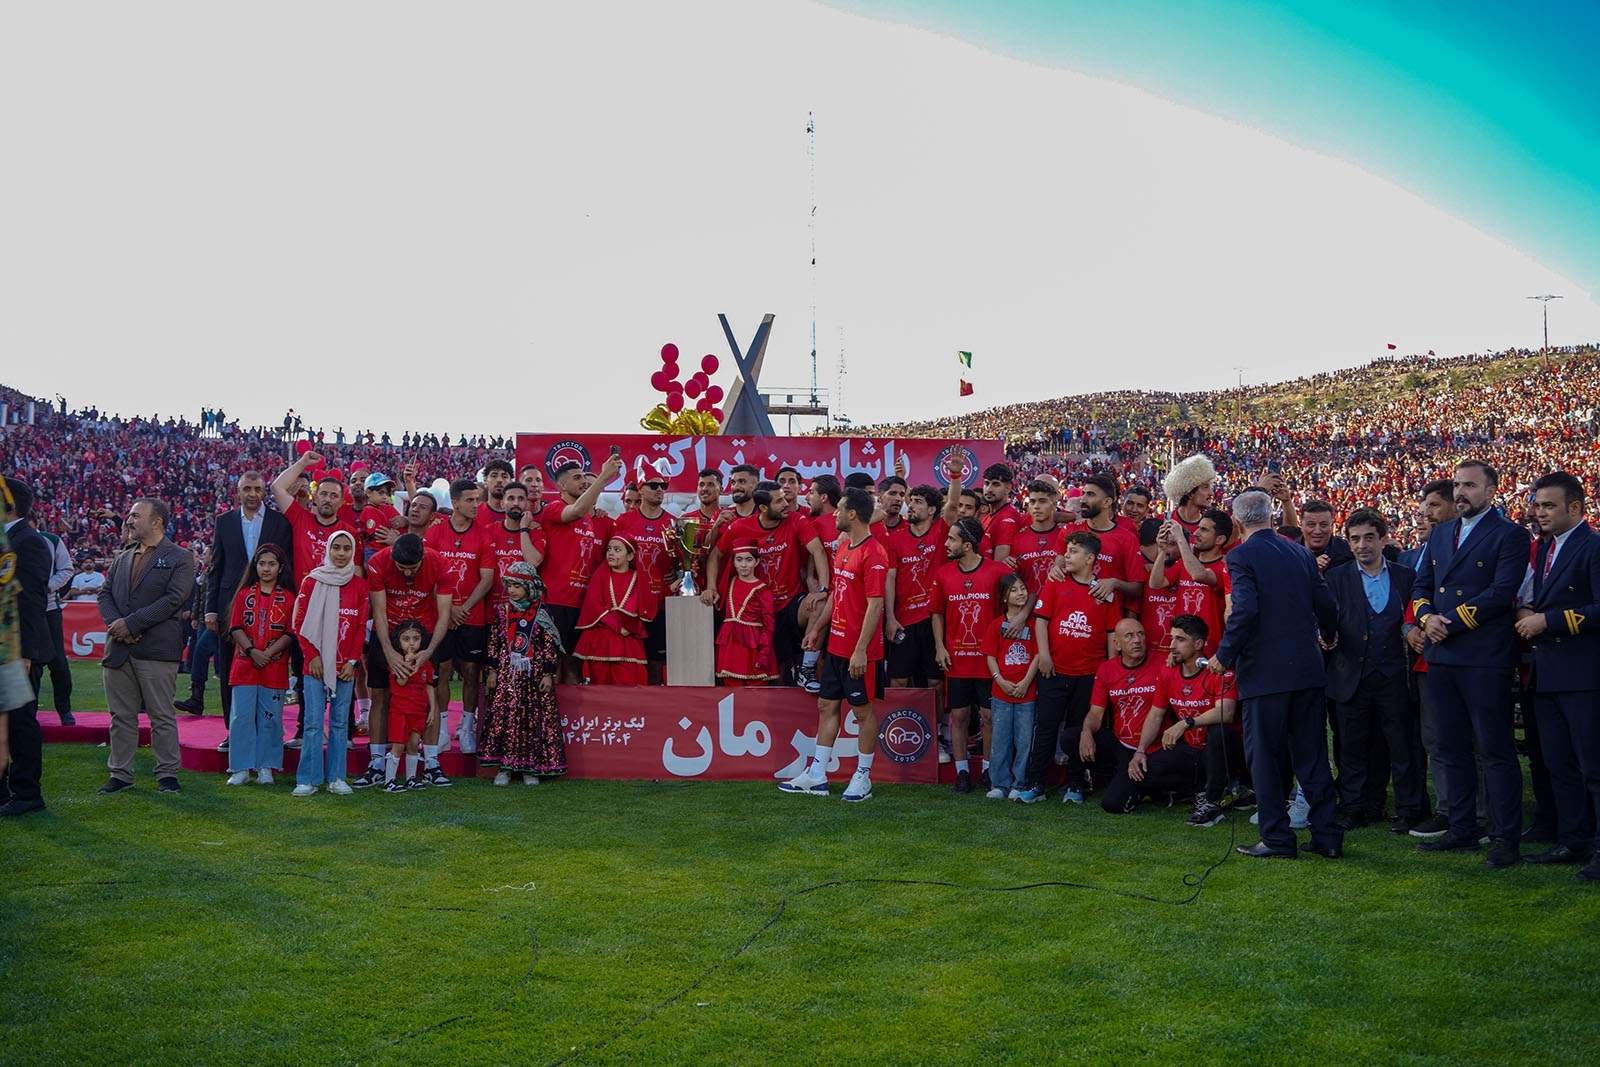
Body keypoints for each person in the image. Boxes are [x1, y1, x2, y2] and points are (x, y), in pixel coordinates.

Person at [1210, 489, 1342, 859]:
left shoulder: (1241, 555)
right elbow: (1326, 603)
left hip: (1265, 671)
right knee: (1312, 756)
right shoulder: (1300, 552)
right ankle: (1327, 836)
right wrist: (1327, 636)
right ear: (1272, 516)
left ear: (1237, 522)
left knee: (1265, 757)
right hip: (1306, 668)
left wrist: (1224, 654)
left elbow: (1246, 609)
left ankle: (1277, 838)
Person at [1412, 459, 1531, 869]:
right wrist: (1426, 618)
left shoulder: (1510, 534)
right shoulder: (1441, 533)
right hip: (1442, 654)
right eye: (1457, 485)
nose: (1460, 492)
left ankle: (1504, 837)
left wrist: (1448, 622)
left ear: (1491, 491)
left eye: (1470, 485)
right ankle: (1462, 828)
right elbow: (1421, 585)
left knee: (1495, 750)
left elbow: (1502, 592)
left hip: (1483, 656)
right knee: (1452, 747)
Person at [1514, 471, 1600, 877]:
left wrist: (1549, 621)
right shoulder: (1548, 548)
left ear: (1575, 508)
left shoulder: (1593, 546)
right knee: (1559, 765)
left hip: (1584, 675)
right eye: (1537, 504)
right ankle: (1573, 840)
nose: (1539, 512)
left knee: (1593, 767)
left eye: (1549, 505)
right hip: (1548, 673)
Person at [1324, 507, 1428, 833]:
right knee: (1351, 747)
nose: (1362, 545)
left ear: (1383, 539)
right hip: (1350, 675)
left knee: (1402, 747)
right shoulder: (1335, 578)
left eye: (1369, 537)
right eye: (1355, 539)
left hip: (1395, 676)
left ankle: (1409, 809)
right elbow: (1322, 620)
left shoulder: (1406, 577)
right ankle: (1355, 807)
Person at [782, 487, 889, 801]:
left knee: (862, 712)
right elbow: (836, 594)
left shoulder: (874, 554)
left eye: (840, 509)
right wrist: (817, 629)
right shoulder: (843, 547)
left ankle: (863, 777)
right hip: (835, 647)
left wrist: (861, 650)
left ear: (852, 514)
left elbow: (875, 606)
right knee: (826, 705)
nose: (835, 514)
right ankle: (817, 775)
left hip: (859, 652)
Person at [97, 498, 197, 795]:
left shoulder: (180, 557)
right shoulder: (122, 557)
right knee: (121, 716)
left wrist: (131, 624)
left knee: (161, 715)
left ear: (157, 522)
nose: (128, 520)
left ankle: (167, 774)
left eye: (134, 515)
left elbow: (174, 599)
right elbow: (104, 595)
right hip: (119, 649)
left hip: (156, 650)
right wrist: (117, 625)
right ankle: (120, 774)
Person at [1016, 530, 1117, 804]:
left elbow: (1111, 633)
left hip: (1089, 674)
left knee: (1078, 730)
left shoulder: (1104, 592)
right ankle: (1035, 783)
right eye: (1066, 550)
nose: (1066, 556)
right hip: (1054, 670)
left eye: (1073, 552)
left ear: (1090, 559)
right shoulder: (1055, 583)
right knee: (1045, 727)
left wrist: (1109, 671)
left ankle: (1075, 784)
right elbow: (1041, 621)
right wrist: (1044, 656)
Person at [356, 533, 453, 788]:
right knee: (380, 695)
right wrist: (388, 651)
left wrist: (428, 651)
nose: (408, 574)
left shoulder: (440, 563)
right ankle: (377, 763)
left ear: (423, 557)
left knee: (429, 694)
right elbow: (378, 610)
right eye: (402, 568)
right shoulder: (378, 562)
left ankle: (431, 763)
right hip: (388, 630)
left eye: (413, 568)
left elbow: (444, 614)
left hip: (424, 632)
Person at [199, 471, 293, 728]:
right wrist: (210, 609)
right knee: (229, 666)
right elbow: (216, 567)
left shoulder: (279, 522)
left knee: (269, 665)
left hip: (271, 606)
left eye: (257, 489)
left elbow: (287, 565)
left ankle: (266, 727)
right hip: (230, 605)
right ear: (238, 491)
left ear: (264, 492)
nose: (252, 494)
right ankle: (233, 729)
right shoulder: (224, 522)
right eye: (247, 489)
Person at [931, 517, 1011, 793]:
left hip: (988, 662)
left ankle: (988, 771)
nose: (946, 543)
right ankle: (962, 772)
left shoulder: (998, 572)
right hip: (957, 660)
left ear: (967, 545)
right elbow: (937, 613)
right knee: (960, 715)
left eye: (951, 539)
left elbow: (1016, 605)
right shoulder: (943, 574)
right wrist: (940, 647)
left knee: (989, 717)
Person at [290, 530, 368, 796]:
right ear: (328, 550)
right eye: (336, 547)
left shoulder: (359, 586)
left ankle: (336, 777)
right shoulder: (312, 582)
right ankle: (308, 779)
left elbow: (359, 628)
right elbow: (299, 623)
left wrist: (353, 661)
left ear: (353, 552)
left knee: (339, 723)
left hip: (345, 668)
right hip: (314, 666)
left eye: (347, 548)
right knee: (312, 723)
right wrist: (312, 656)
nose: (341, 553)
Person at [1086, 618, 1189, 815]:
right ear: (1117, 644)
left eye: (1140, 634)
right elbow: (1095, 713)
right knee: (1071, 739)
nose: (1137, 640)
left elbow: (1191, 662)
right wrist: (1086, 733)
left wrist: (1176, 657)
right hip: (1123, 745)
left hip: (1157, 746)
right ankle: (1123, 776)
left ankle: (1147, 785)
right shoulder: (1107, 669)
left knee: (1112, 804)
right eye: (1129, 636)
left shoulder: (1164, 662)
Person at [424, 477, 496, 756]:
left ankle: (466, 728)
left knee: (470, 672)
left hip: (472, 616)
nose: (476, 505)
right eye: (470, 500)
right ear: (454, 503)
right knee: (442, 670)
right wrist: (449, 609)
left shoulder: (484, 535)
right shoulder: (435, 533)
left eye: (477, 499)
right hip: (442, 616)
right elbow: (428, 575)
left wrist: (463, 608)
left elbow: (486, 579)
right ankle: (442, 730)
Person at [540, 453, 624, 683]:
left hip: (582, 602)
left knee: (574, 663)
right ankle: (551, 707)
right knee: (552, 665)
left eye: (585, 479)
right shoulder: (554, 508)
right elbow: (576, 510)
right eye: (577, 478)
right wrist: (604, 476)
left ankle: (571, 708)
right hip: (556, 601)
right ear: (562, 485)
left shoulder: (589, 518)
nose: (584, 482)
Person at [1153, 614, 1243, 828]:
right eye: (1172, 638)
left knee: (1217, 731)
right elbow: (1155, 715)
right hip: (1194, 751)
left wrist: (1186, 722)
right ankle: (1199, 791)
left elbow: (1226, 713)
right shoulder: (1168, 671)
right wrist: (1139, 751)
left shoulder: (1219, 669)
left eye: (1180, 639)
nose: (1172, 645)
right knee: (1148, 772)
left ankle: (1212, 803)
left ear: (1199, 644)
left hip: (1230, 751)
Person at [480, 564, 566, 785]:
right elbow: (494, 643)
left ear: (529, 587)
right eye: (509, 585)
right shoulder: (503, 612)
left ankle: (530, 768)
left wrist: (548, 673)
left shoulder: (542, 614)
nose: (512, 590)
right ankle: (504, 768)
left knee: (531, 721)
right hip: (506, 677)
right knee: (506, 720)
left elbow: (548, 646)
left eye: (517, 586)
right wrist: (492, 670)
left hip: (533, 679)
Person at [0, 477, 52, 817]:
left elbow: (32, 601)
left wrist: (26, 652)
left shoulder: (28, 541)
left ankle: (27, 793)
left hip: (17, 650)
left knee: (20, 723)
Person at [224, 544, 295, 786]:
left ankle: (266, 766)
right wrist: (253, 651)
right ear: (255, 566)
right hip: (244, 666)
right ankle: (240, 768)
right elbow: (235, 627)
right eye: (262, 563)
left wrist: (268, 653)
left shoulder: (289, 598)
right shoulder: (244, 594)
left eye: (271, 564)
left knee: (270, 718)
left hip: (274, 667)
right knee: (241, 717)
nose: (266, 568)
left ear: (280, 568)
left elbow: (290, 632)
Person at [884, 483, 958, 690]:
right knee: (898, 680)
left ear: (932, 509)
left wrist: (955, 476)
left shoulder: (941, 531)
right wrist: (890, 618)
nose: (911, 506)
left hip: (935, 619)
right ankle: (899, 713)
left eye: (918, 502)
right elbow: (890, 578)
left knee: (935, 681)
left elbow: (952, 505)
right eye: (911, 501)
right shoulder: (896, 538)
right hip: (904, 620)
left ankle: (937, 715)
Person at [613, 472, 681, 684]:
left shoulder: (673, 523)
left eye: (663, 486)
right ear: (641, 489)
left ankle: (656, 703)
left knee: (656, 662)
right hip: (631, 602)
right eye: (653, 485)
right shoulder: (624, 521)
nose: (659, 489)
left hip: (661, 602)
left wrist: (677, 573)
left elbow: (681, 561)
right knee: (628, 660)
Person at [982, 572, 1040, 800]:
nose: (1021, 593)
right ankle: (999, 784)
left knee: (1024, 741)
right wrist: (1000, 680)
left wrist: (1025, 682)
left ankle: (1020, 783)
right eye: (1014, 590)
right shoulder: (996, 625)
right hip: (1001, 694)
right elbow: (990, 656)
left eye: (1023, 588)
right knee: (1000, 741)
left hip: (1027, 693)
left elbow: (1037, 656)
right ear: (1004, 597)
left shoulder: (1034, 624)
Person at [574, 534, 658, 685]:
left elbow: (648, 602)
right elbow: (593, 604)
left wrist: (671, 588)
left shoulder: (639, 578)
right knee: (599, 687)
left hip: (627, 640)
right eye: (609, 549)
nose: (611, 553)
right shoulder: (600, 576)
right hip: (601, 637)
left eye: (617, 550)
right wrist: (618, 626)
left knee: (626, 688)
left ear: (630, 556)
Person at [382, 620, 439, 793]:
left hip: (419, 711)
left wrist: (432, 709)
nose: (411, 643)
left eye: (415, 639)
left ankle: (411, 778)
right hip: (400, 711)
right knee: (398, 746)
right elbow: (401, 681)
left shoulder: (426, 664)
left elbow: (429, 686)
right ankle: (389, 781)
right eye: (406, 639)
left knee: (414, 744)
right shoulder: (397, 663)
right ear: (398, 641)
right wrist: (407, 661)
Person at [716, 540, 776, 685]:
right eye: (739, 559)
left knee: (756, 687)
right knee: (731, 686)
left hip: (752, 645)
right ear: (733, 561)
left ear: (756, 562)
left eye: (749, 560)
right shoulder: (727, 583)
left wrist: (764, 653)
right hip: (729, 645)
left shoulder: (763, 590)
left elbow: (769, 625)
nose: (743, 565)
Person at [979, 463, 1022, 563]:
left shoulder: (1007, 518)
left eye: (996, 484)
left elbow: (999, 565)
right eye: (986, 483)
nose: (989, 489)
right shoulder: (988, 516)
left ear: (1008, 488)